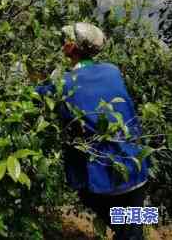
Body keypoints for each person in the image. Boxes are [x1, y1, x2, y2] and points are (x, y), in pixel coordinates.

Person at [35, 22, 149, 240]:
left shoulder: (63, 83)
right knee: (131, 229)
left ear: (70, 47)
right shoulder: (112, 70)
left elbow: (34, 96)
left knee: (127, 230)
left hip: (104, 180)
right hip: (137, 167)